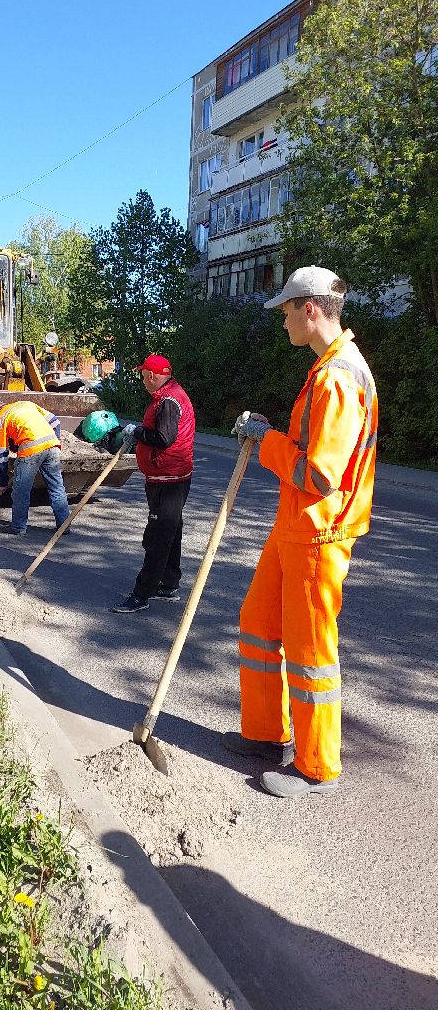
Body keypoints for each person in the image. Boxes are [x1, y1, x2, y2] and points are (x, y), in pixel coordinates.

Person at [223, 265, 378, 798]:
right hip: (297, 528)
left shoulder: (337, 377)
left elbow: (317, 475)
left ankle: (316, 766)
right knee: (258, 624)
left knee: (311, 653)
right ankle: (268, 734)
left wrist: (266, 440)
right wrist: (273, 435)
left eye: (286, 310)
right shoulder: (327, 370)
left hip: (319, 534)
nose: (283, 321)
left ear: (309, 309)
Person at [112, 354, 195, 614]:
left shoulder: (168, 401)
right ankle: (169, 584)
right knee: (172, 530)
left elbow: (163, 437)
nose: (142, 381)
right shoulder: (171, 394)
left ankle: (141, 594)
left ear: (152, 376)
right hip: (172, 475)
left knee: (158, 536)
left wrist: (135, 432)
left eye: (143, 375)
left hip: (167, 479)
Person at [0, 398, 70, 536]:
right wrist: (56, 442)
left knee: (21, 491)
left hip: (30, 449)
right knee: (56, 487)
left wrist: (1, 483)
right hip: (52, 445)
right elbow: (55, 422)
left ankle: (18, 528)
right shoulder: (26, 404)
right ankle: (64, 526)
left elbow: (0, 456)